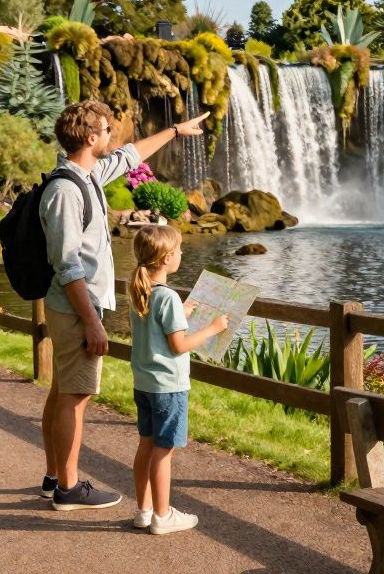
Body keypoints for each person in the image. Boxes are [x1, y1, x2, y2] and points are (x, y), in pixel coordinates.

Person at [38, 100, 208, 511]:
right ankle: (69, 488)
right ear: (91, 138)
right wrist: (92, 323)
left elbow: (129, 156)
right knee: (76, 397)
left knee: (63, 391)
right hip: (76, 308)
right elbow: (68, 267)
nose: (114, 136)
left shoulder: (88, 174)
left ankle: (54, 478)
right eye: (108, 130)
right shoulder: (65, 189)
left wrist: (175, 131)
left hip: (79, 307)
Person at [126, 225, 228, 534]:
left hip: (144, 383)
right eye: (180, 250)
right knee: (163, 450)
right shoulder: (167, 296)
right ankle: (162, 516)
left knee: (146, 444)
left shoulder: (141, 292)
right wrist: (213, 328)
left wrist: (181, 311)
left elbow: (156, 328)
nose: (182, 254)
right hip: (168, 387)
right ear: (167, 258)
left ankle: (144, 511)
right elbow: (179, 345)